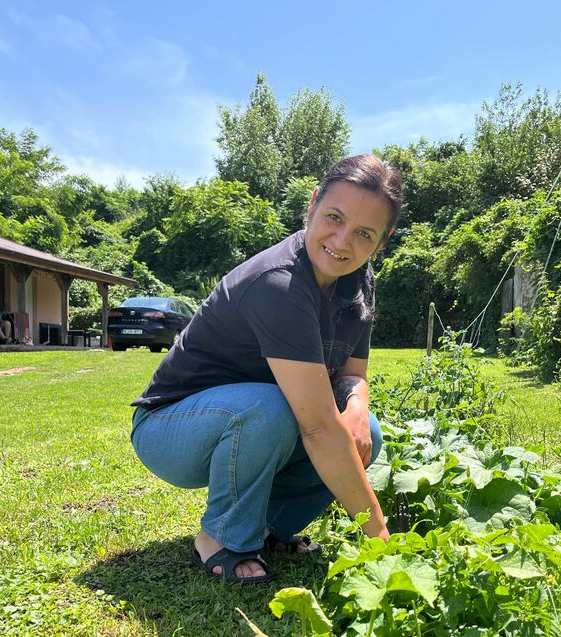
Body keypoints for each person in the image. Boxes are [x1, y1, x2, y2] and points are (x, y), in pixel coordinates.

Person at [130, 154, 403, 584]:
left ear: (380, 242)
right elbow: (316, 429)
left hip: (254, 419)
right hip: (170, 428)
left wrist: (355, 405)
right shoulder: (280, 283)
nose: (343, 241)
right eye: (334, 217)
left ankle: (271, 528)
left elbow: (354, 373)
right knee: (279, 409)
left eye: (364, 234)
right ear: (312, 204)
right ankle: (221, 539)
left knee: (365, 429)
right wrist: (382, 540)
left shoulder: (358, 277)